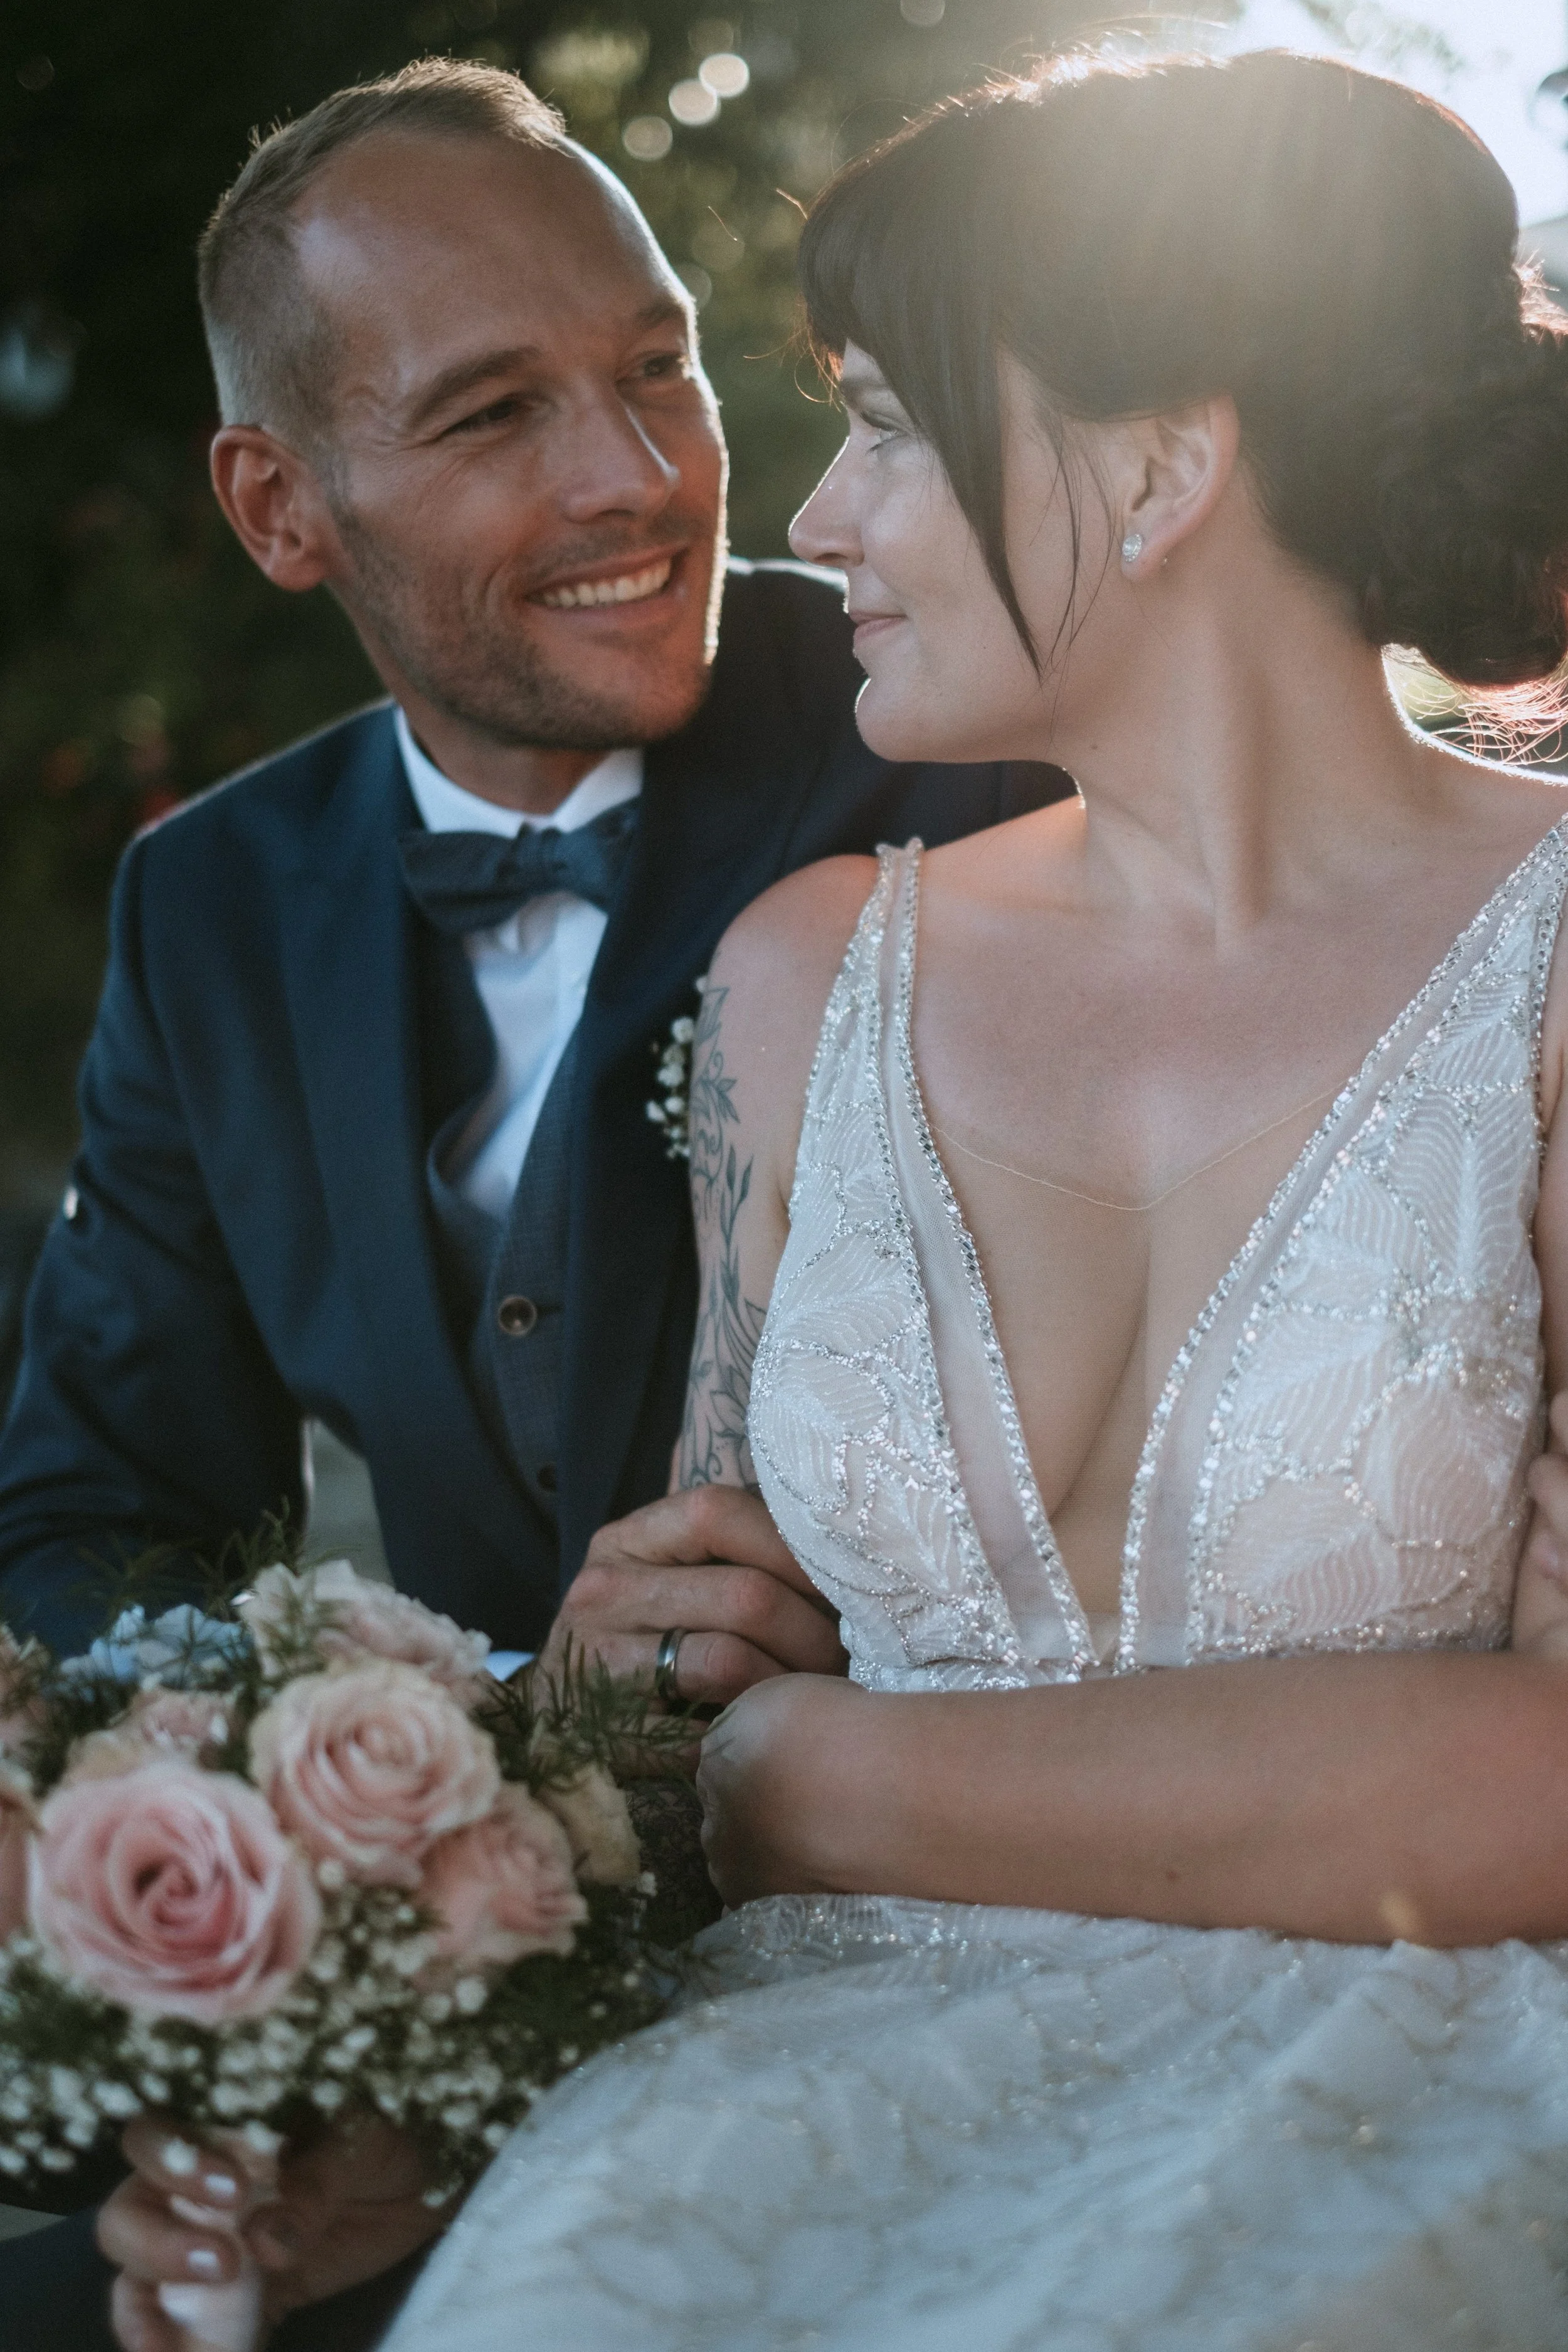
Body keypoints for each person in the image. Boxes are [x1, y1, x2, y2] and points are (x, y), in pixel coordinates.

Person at [83, 47, 1568, 2352]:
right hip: (763, 2068)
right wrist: (344, 2060)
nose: (782, 509)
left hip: (1414, 2066)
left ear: (1163, 461)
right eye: (492, 413)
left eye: (864, 419)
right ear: (282, 502)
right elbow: (659, 1694)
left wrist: (811, 1771)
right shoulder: (802, 972)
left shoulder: (1507, 940)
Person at [0, 54, 1068, 2352]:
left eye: (659, 365)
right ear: (280, 507)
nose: (643, 475)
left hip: (947, 1950)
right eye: (494, 414)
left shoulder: (973, 748)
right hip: (471, 1987)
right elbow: (93, 1515)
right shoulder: (204, 908)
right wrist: (419, 1793)